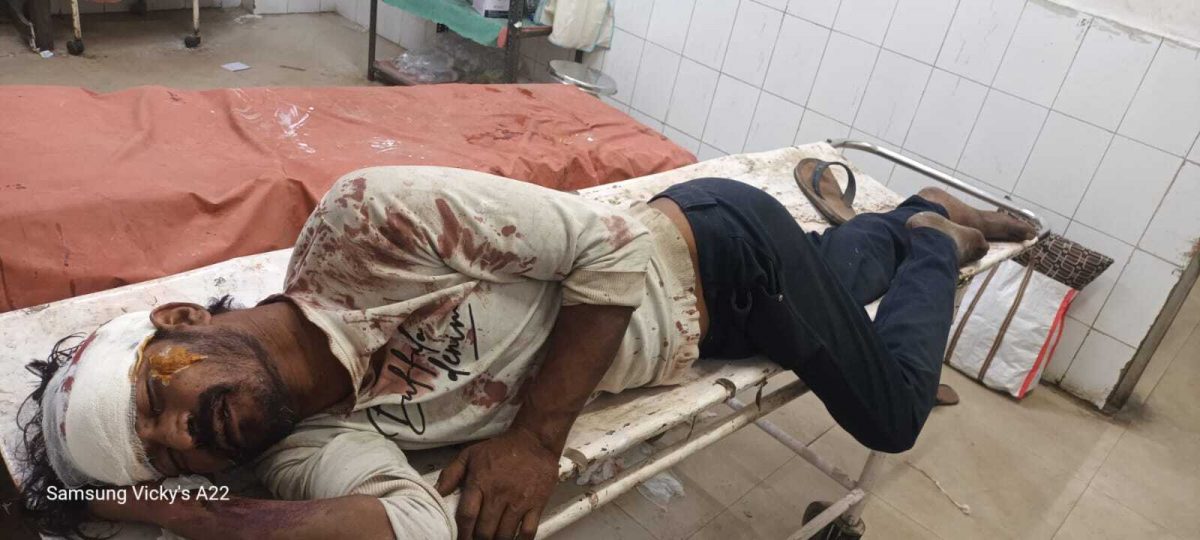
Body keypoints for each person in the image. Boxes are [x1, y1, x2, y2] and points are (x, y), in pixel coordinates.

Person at [17, 163, 1034, 540]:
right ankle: (895, 222)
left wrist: (537, 436)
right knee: (836, 293)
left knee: (890, 413)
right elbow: (411, 526)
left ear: (178, 320)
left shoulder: (366, 227)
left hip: (713, 248)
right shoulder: (302, 447)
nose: (179, 431)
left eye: (150, 398)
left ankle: (929, 242)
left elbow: (611, 246)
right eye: (163, 454)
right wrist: (160, 506)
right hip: (700, 334)